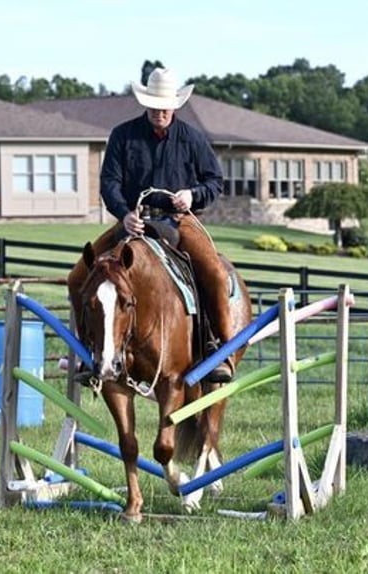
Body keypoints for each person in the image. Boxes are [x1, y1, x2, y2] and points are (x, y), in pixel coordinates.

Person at [68, 67, 236, 383]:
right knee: (77, 276)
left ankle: (221, 349)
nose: (159, 112)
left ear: (174, 105)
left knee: (213, 271)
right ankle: (88, 351)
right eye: (154, 105)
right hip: (134, 222)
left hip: (177, 221)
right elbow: (109, 182)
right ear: (145, 103)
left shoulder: (192, 138)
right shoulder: (123, 135)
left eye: (165, 106)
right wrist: (124, 213)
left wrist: (193, 195)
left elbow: (214, 181)